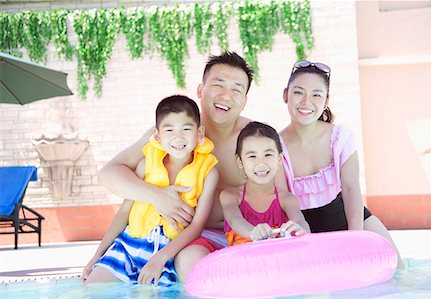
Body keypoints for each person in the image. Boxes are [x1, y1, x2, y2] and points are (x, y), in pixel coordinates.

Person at [97, 52, 254, 282]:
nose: (226, 96)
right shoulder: (172, 132)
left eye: (236, 89)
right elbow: (109, 174)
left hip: (219, 237)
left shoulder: (253, 138)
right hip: (164, 237)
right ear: (200, 90)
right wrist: (156, 196)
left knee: (189, 262)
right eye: (218, 85)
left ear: (244, 100)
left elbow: (276, 195)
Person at [278, 60, 404, 268]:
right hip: (307, 232)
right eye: (299, 92)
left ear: (326, 100)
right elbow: (285, 199)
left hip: (354, 222)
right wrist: (305, 240)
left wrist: (355, 239)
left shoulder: (340, 138)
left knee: (398, 273)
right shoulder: (276, 146)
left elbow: (351, 189)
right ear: (286, 95)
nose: (306, 101)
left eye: (317, 94)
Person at [82, 95, 219, 286]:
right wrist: (97, 256)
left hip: (168, 252)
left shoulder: (208, 173)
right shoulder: (145, 165)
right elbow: (124, 213)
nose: (178, 137)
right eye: (169, 130)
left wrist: (161, 258)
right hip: (128, 247)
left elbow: (197, 226)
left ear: (199, 132)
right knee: (92, 288)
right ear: (157, 136)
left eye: (186, 129)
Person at [220, 122, 310, 245]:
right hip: (241, 261)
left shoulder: (287, 199)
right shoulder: (230, 196)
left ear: (279, 158)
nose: (261, 163)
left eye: (268, 155)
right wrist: (253, 232)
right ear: (240, 161)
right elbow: (234, 219)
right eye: (252, 156)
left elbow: (300, 220)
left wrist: (301, 229)